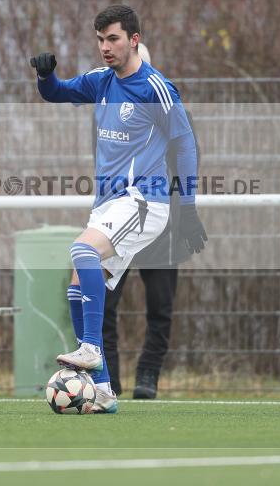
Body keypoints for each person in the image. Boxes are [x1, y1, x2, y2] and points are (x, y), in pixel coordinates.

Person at [31, 4, 206, 413]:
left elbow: (185, 145)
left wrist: (190, 208)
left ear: (134, 40)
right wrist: (45, 75)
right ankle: (105, 391)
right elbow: (56, 93)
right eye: (100, 39)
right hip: (110, 204)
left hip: (145, 201)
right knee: (77, 282)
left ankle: (90, 349)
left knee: (81, 250)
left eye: (113, 38)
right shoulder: (100, 81)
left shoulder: (155, 87)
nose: (105, 47)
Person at [101, 43, 196, 400]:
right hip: (117, 219)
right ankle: (108, 379)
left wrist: (184, 210)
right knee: (104, 302)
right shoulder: (111, 111)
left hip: (159, 222)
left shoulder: (168, 107)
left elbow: (187, 157)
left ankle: (148, 377)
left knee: (160, 305)